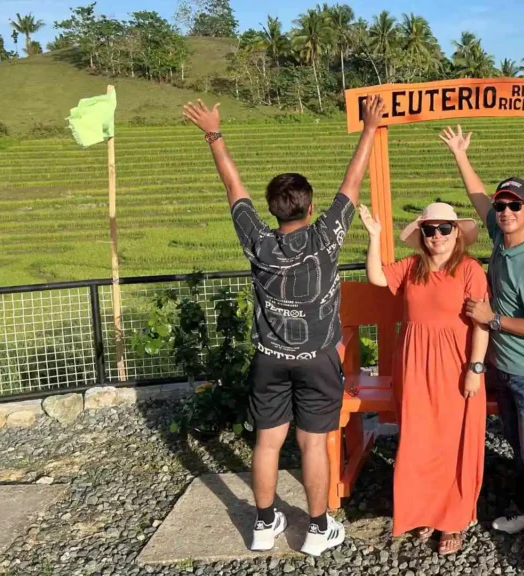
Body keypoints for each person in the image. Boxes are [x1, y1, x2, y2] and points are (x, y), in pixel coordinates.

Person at [181, 95, 386, 556]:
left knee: (267, 442)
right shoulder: (324, 238)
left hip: (269, 360)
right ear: (310, 207)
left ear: (272, 209)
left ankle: (262, 523)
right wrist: (370, 129)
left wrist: (213, 133)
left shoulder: (257, 241)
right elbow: (351, 186)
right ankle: (317, 528)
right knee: (314, 445)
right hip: (317, 360)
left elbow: (234, 188)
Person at [440, 125, 524, 573]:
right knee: (519, 447)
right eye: (501, 205)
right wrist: (461, 154)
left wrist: (491, 319)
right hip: (504, 366)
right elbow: (478, 196)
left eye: (514, 205)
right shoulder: (500, 237)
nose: (504, 211)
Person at [358, 201, 490, 555]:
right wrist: (374, 235)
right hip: (414, 366)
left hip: (456, 366)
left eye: (444, 228)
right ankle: (424, 511)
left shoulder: (470, 270)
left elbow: (482, 325)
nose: (437, 236)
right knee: (419, 441)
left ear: (456, 232)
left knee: (452, 443)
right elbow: (376, 277)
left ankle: (452, 520)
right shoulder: (411, 267)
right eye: (429, 229)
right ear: (421, 234)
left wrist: (475, 369)